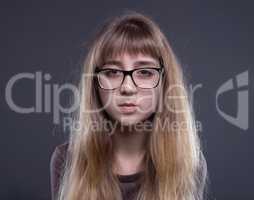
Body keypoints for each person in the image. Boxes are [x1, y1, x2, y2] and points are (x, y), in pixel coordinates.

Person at [50, 11, 208, 200]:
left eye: (144, 72)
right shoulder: (67, 161)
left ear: (165, 82)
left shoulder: (191, 163)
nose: (127, 87)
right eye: (112, 72)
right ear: (94, 83)